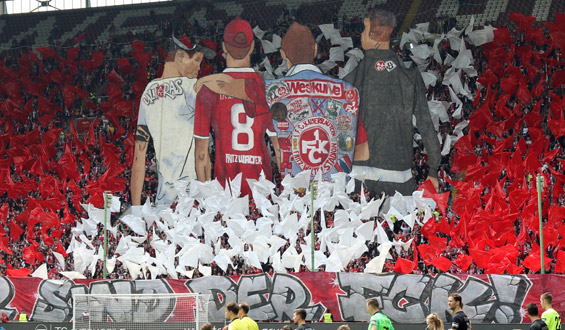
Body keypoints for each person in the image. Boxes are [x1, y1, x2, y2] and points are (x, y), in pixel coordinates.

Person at [344, 9, 441, 196]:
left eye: (364, 31)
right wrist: (433, 171)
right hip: (399, 175)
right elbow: (426, 125)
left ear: (373, 35)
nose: (361, 36)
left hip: (359, 175)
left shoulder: (353, 78)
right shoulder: (410, 77)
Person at [264, 22, 367, 180]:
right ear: (316, 50)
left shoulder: (269, 91)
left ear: (283, 54)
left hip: (294, 195)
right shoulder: (349, 91)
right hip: (338, 195)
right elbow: (362, 151)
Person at [194, 17, 280, 196]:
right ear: (252, 47)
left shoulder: (208, 91)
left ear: (224, 47)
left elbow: (202, 154)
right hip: (261, 191)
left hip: (225, 190)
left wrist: (207, 200)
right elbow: (279, 149)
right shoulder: (267, 89)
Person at [131, 35, 205, 206]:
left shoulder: (148, 92)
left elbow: (139, 153)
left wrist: (135, 207)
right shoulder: (191, 88)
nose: (199, 66)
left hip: (163, 199)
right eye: (195, 59)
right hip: (191, 198)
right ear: (180, 57)